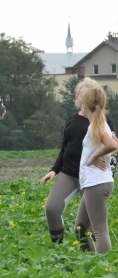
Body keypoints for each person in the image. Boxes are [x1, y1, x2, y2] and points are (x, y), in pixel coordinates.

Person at [40, 77, 115, 244]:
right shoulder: (71, 120)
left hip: (92, 177)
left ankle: (96, 259)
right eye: (81, 95)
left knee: (87, 226)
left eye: (87, 95)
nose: (83, 98)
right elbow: (64, 149)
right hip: (70, 172)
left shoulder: (102, 120)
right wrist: (54, 170)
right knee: (52, 208)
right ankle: (58, 248)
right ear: (77, 98)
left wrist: (109, 174)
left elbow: (113, 148)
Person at [73, 84, 117, 254]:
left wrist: (95, 157)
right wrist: (100, 154)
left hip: (96, 183)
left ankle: (104, 271)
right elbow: (116, 145)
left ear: (85, 105)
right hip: (95, 182)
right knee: (80, 228)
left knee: (99, 231)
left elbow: (112, 145)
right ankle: (91, 263)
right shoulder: (100, 123)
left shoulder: (95, 126)